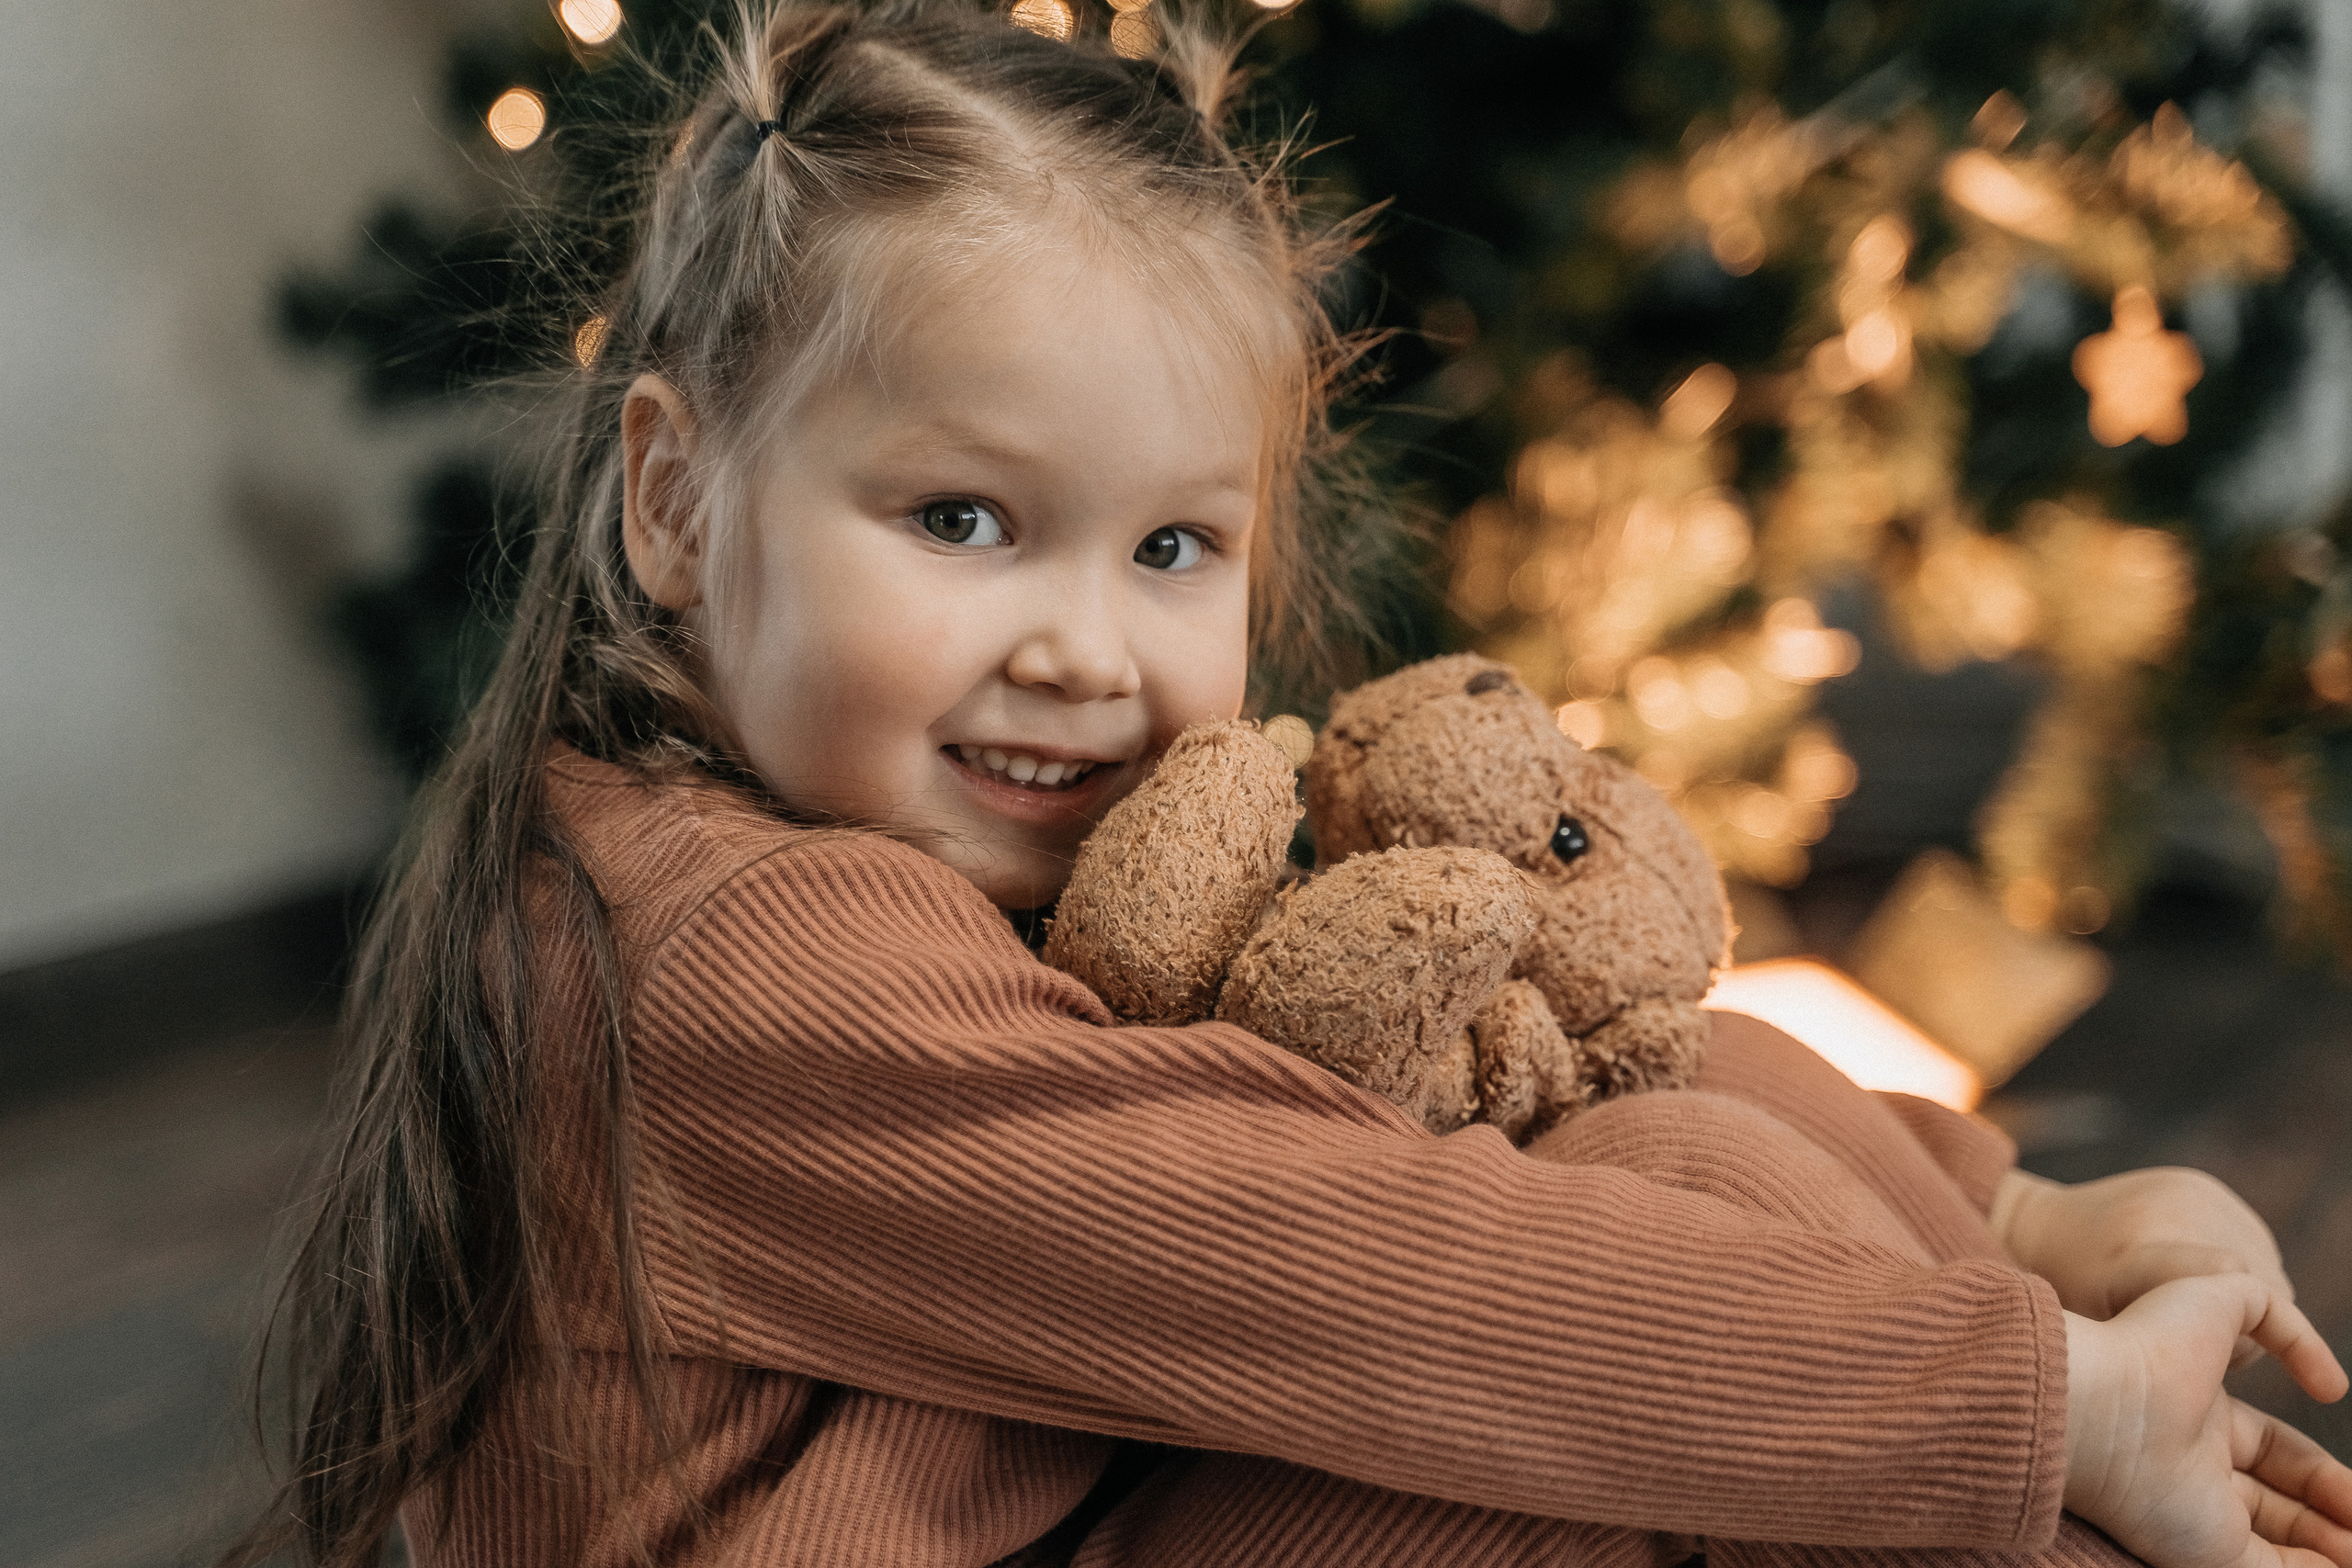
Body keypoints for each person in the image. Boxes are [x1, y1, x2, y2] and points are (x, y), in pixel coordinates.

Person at [225, 3, 2352, 1566]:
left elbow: (1563, 1079)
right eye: (961, 517)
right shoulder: (752, 946)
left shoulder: (1004, 859)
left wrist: (2020, 1213)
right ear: (678, 502)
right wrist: (2035, 1395)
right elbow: (1375, 1266)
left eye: (1169, 549)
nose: (1082, 643)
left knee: (1656, 1110)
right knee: (1620, 1262)